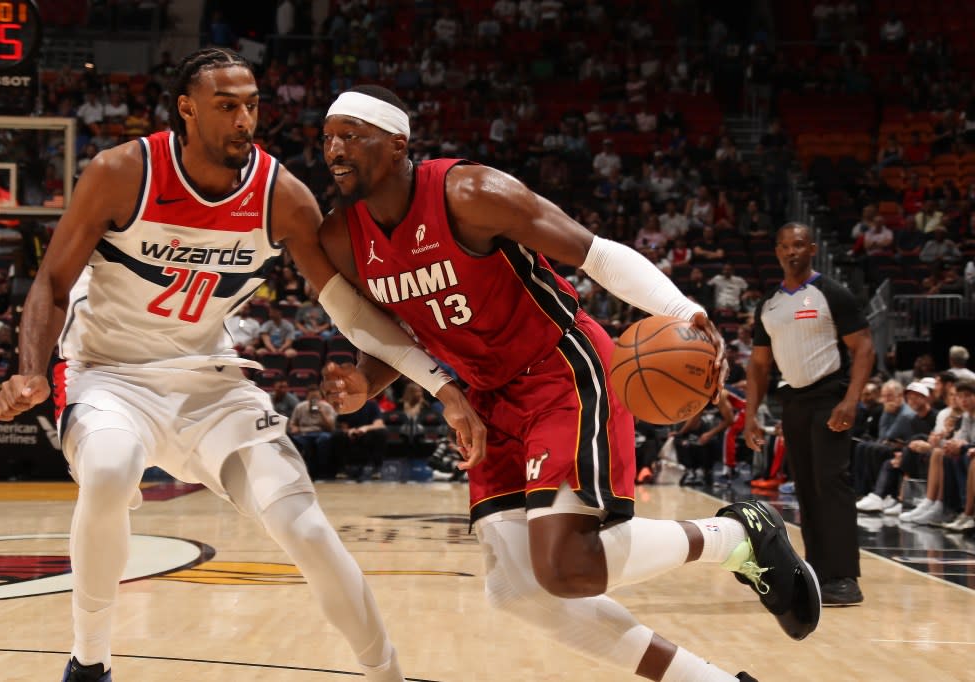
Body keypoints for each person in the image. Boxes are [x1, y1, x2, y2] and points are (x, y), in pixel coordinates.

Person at [0, 48, 487, 682]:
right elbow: (52, 283)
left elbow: (351, 311)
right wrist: (30, 368)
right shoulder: (122, 172)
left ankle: (386, 673)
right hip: (108, 374)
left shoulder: (281, 196)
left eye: (252, 105)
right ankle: (90, 662)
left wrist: (441, 386)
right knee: (112, 469)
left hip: (209, 382)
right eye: (227, 106)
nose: (244, 120)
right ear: (187, 109)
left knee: (304, 525)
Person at [316, 85, 820, 682]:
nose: (335, 150)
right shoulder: (342, 237)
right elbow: (396, 328)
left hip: (561, 369)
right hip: (486, 398)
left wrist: (684, 311)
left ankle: (739, 531)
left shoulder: (470, 193)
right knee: (518, 589)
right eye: (327, 138)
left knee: (564, 566)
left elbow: (596, 254)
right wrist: (363, 379)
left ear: (398, 142)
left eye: (352, 135)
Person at [743, 223, 875, 607]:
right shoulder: (768, 303)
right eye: (784, 246)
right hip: (794, 401)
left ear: (812, 248)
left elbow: (864, 348)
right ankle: (819, 571)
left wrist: (851, 400)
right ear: (777, 252)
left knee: (831, 482)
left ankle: (846, 577)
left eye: (798, 245)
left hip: (829, 395)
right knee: (806, 487)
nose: (791, 252)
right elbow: (758, 366)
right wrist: (751, 415)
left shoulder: (831, 292)